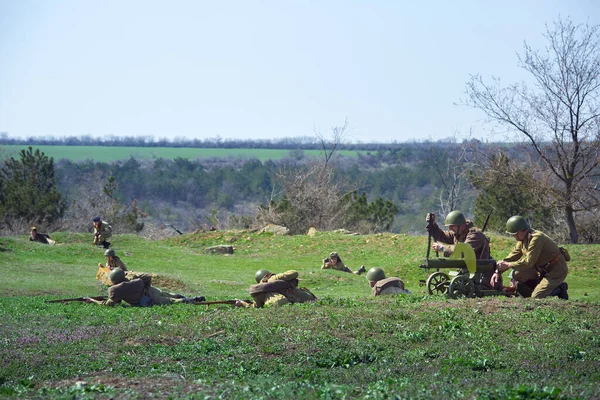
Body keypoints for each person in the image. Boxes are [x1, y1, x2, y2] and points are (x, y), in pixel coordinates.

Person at [491, 216, 569, 299]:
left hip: (555, 270)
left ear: (522, 230)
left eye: (515, 234)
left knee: (536, 296)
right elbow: (513, 255)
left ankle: (559, 288)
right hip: (541, 269)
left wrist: (508, 265)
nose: (515, 237)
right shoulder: (522, 239)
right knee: (517, 273)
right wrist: (498, 271)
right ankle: (538, 287)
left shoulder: (536, 238)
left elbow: (529, 262)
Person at [426, 211, 501, 290]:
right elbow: (441, 235)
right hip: (469, 272)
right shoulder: (459, 233)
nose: (449, 228)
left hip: (483, 275)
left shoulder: (474, 234)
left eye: (452, 226)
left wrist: (442, 248)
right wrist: (432, 224)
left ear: (461, 225)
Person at [86, 268, 205, 307]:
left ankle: (192, 300)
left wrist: (93, 300)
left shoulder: (114, 290)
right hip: (151, 290)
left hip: (146, 300)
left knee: (171, 301)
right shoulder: (132, 278)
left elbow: (111, 304)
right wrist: (147, 287)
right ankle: (187, 297)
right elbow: (147, 277)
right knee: (170, 294)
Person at [235, 269, 317, 308]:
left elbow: (255, 307)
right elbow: (294, 273)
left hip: (280, 306)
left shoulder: (257, 290)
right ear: (268, 274)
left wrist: (242, 303)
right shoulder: (275, 277)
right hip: (304, 299)